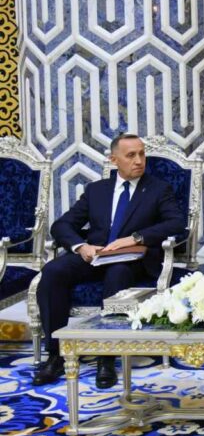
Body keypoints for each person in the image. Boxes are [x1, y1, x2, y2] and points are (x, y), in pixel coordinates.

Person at [33, 133, 186, 387]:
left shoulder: (158, 189)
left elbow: (177, 223)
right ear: (114, 160)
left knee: (117, 275)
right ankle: (56, 355)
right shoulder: (97, 190)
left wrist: (135, 238)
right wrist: (81, 246)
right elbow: (62, 225)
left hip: (133, 261)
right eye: (131, 155)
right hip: (96, 255)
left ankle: (106, 358)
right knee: (52, 272)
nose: (139, 160)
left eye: (142, 154)